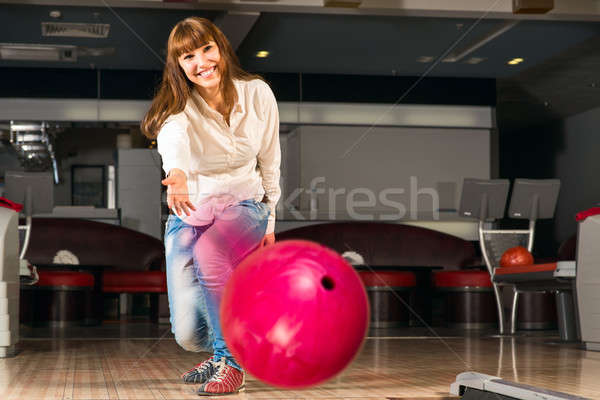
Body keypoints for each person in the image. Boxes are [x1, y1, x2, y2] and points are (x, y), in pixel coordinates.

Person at [141, 17, 281, 396]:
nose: (202, 61)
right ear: (179, 64)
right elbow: (175, 139)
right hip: (192, 207)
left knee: (211, 252)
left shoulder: (257, 94)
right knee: (187, 333)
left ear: (221, 48)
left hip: (243, 204)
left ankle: (231, 363)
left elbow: (270, 160)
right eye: (189, 56)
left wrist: (270, 223)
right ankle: (226, 348)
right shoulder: (179, 108)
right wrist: (179, 174)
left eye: (207, 49)